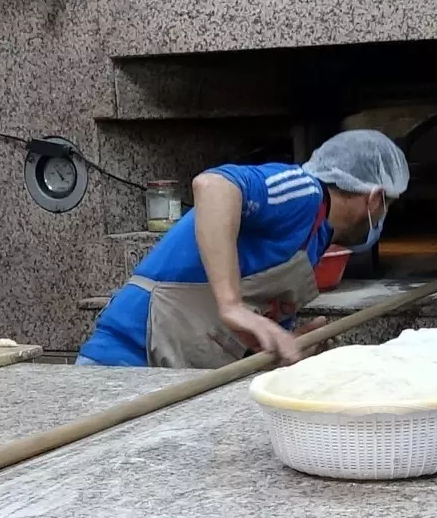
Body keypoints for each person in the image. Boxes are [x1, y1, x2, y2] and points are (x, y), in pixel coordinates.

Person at [77, 130, 410, 368]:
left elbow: (249, 332)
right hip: (123, 361)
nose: (381, 218)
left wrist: (289, 348)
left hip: (174, 371)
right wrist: (231, 305)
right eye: (387, 206)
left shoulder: (316, 237)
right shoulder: (304, 191)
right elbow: (214, 185)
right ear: (375, 197)